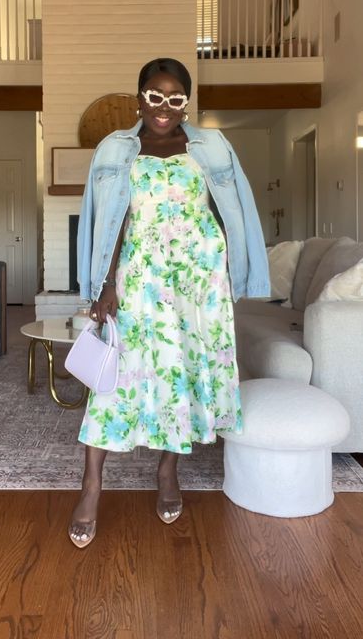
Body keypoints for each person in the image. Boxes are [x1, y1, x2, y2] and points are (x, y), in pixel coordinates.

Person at [69, 57, 270, 548]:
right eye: (154, 97)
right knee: (117, 377)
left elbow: (233, 210)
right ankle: (91, 486)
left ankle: (167, 473)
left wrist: (232, 269)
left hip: (198, 281)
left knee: (181, 371)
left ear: (186, 102)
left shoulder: (212, 146)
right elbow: (105, 220)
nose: (164, 107)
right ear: (139, 98)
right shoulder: (117, 149)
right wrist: (103, 285)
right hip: (139, 277)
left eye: (175, 98)